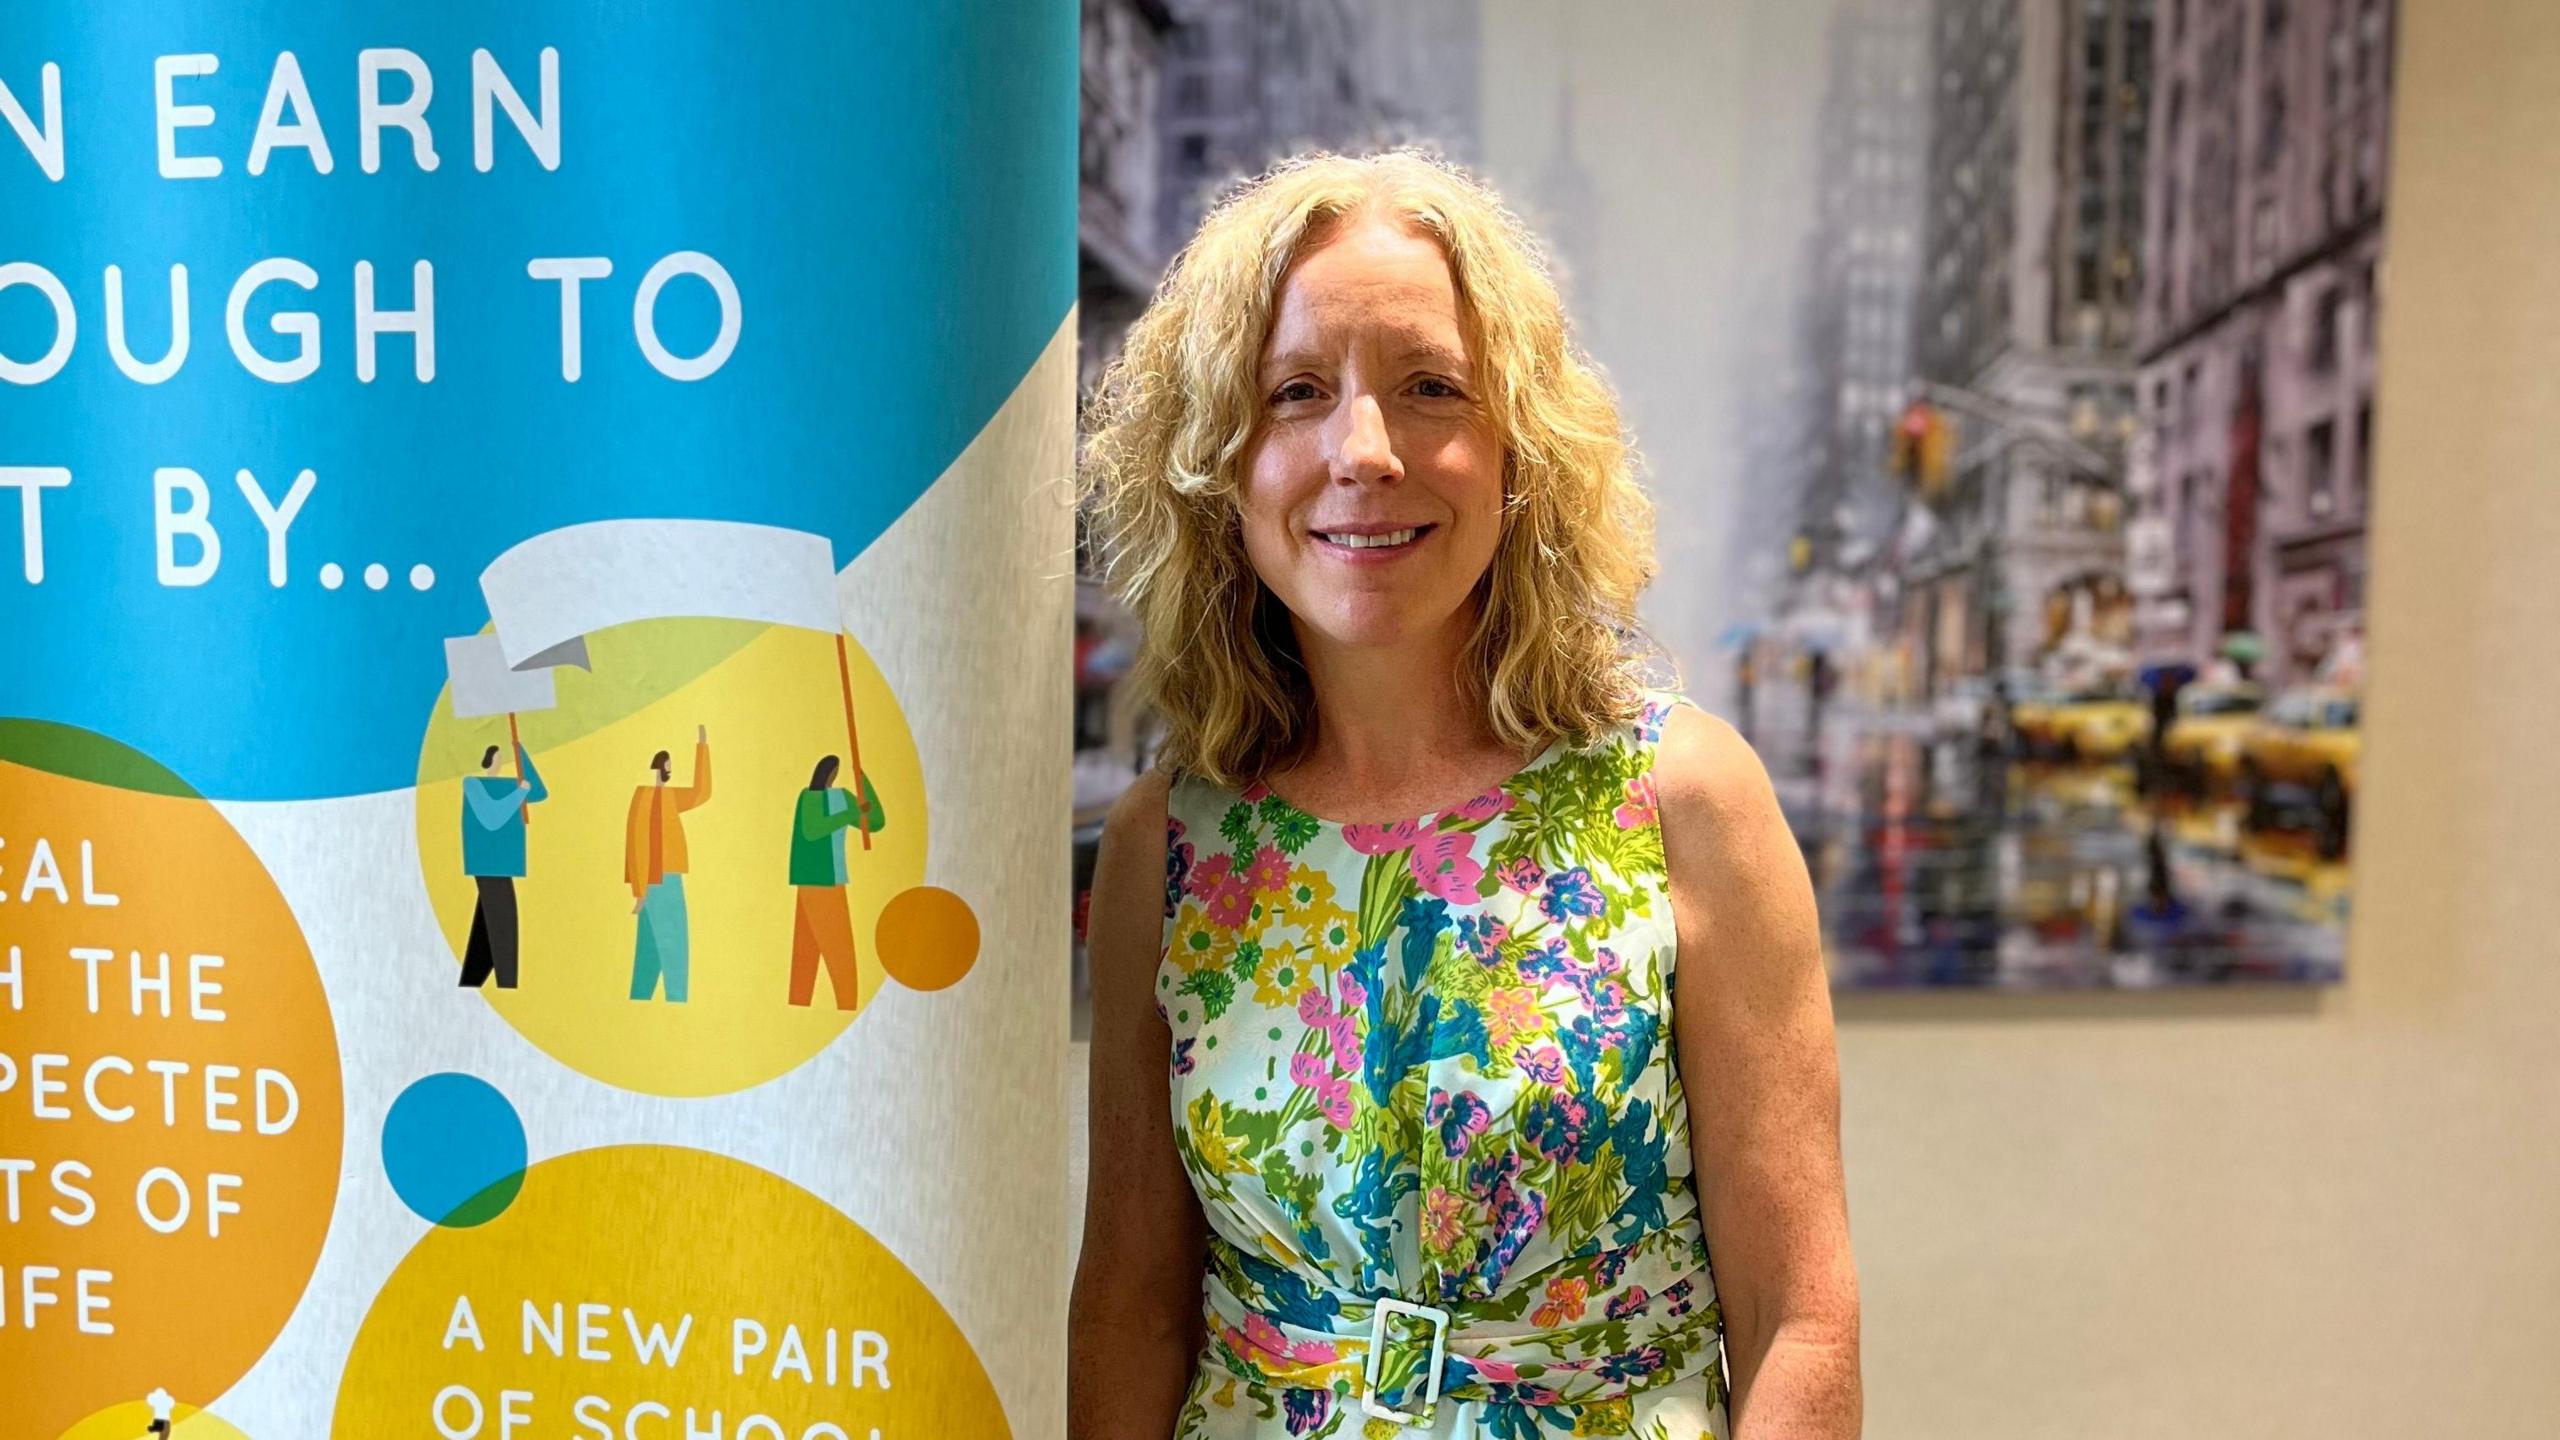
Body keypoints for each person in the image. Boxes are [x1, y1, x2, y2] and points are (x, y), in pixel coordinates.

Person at [1071, 151, 1859, 1439]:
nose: (1364, 450)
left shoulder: (1682, 801)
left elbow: (1800, 1320)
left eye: (1429, 387)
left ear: (1518, 448)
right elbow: (1131, 1307)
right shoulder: (1172, 843)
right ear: (1218, 462)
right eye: (1296, 393)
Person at [787, 753, 887, 1009]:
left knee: (810, 955)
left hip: (827, 880)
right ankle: (844, 1003)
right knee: (831, 951)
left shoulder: (842, 797)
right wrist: (847, 814)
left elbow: (875, 822)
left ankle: (832, 1004)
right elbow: (812, 830)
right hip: (817, 881)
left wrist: (862, 779)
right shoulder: (809, 798)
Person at [625, 726, 712, 1003]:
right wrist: (640, 891)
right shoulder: (645, 797)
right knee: (674, 949)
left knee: (650, 952)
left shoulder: (669, 797)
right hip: (660, 880)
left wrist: (702, 748)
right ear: (659, 768)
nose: (670, 772)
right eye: (668, 768)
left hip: (666, 878)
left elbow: (700, 793)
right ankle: (676, 999)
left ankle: (641, 998)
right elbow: (637, 844)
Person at [460, 739, 545, 989]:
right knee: (504, 922)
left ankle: (472, 981)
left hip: (503, 862)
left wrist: (521, 751)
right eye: (499, 756)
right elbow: (492, 817)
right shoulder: (473, 784)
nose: (500, 760)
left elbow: (538, 792)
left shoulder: (510, 785)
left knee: (487, 926)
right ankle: (507, 982)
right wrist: (520, 792)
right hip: (487, 862)